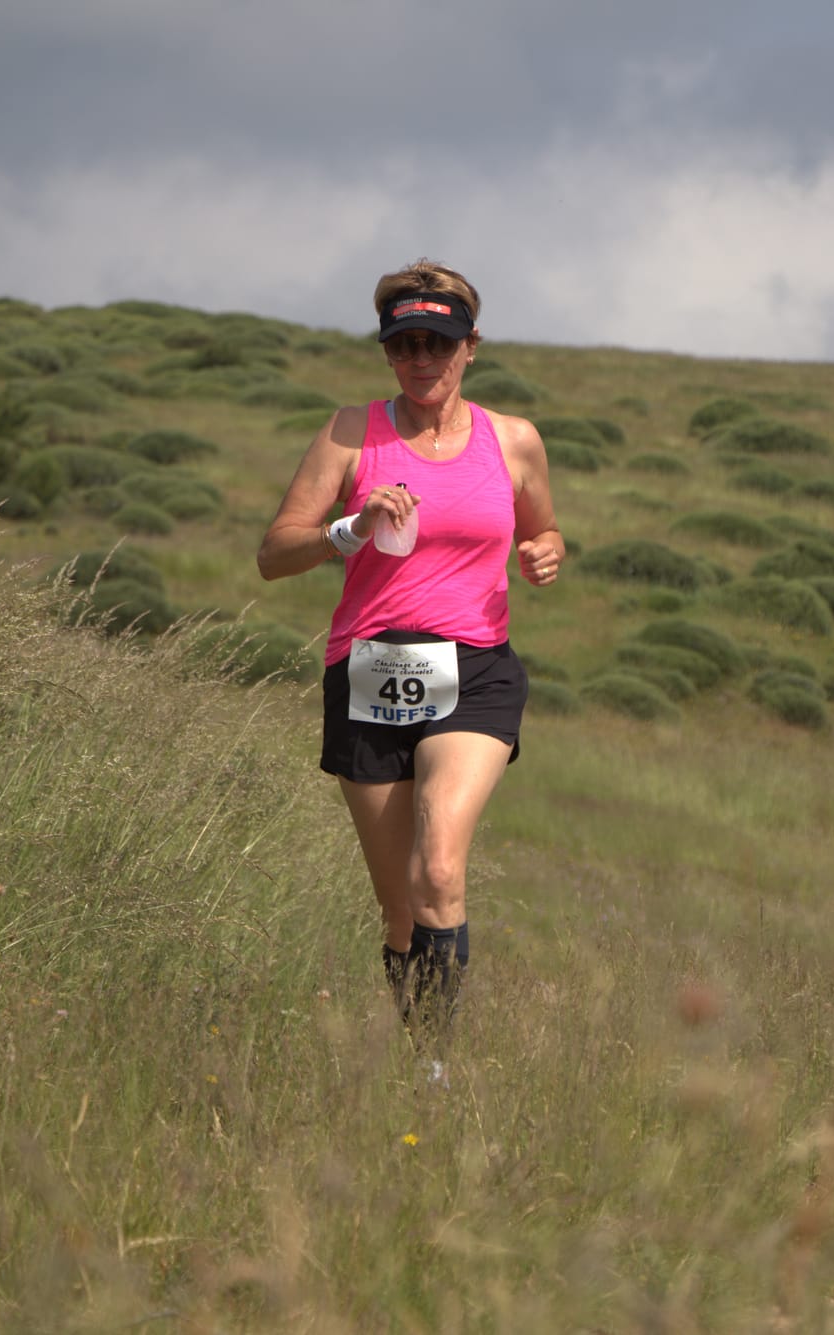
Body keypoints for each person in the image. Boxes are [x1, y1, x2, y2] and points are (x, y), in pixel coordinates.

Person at [257, 259, 564, 1036]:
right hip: (370, 670)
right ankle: (421, 1049)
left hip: (475, 667)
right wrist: (349, 530)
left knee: (439, 869)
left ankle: (438, 1069)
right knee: (401, 908)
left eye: (439, 342)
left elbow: (542, 528)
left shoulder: (514, 440)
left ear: (471, 347)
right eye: (405, 346)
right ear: (388, 350)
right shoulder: (349, 433)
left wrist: (545, 552)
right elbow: (274, 552)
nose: (422, 359)